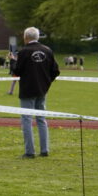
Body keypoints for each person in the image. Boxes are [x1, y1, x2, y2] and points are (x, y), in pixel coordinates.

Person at [12, 27, 60, 159]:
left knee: (27, 120)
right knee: (41, 119)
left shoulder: (24, 51)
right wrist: (46, 83)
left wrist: (13, 61)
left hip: (27, 90)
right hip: (42, 90)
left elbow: (17, 71)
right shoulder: (47, 50)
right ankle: (44, 149)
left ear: (26, 37)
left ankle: (30, 151)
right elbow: (55, 71)